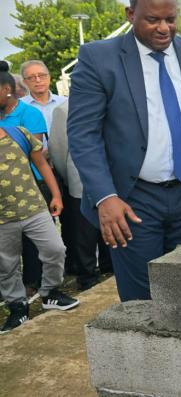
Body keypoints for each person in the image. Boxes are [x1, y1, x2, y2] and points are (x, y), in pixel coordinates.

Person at [67, 0, 181, 301]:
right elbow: (83, 134)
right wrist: (105, 197)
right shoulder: (99, 59)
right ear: (130, 14)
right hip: (131, 201)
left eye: (170, 19)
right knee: (141, 302)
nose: (164, 28)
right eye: (152, 19)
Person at [0, 62, 78, 334]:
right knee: (7, 263)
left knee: (55, 249)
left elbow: (43, 164)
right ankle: (17, 306)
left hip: (33, 206)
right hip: (2, 216)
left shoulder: (18, 131)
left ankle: (50, 292)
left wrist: (55, 193)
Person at [49, 101, 112, 289]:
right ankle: (87, 275)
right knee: (85, 232)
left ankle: (110, 267)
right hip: (80, 179)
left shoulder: (113, 100)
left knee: (110, 223)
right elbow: (58, 149)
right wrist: (69, 178)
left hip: (112, 177)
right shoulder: (63, 109)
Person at [0, 67, 48, 295]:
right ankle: (10, 290)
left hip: (30, 184)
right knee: (6, 245)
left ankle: (32, 284)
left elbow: (36, 154)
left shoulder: (30, 114)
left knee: (31, 241)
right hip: (3, 191)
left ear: (7, 90)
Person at [20, 60, 67, 132]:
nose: (38, 80)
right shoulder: (18, 107)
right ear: (25, 82)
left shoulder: (65, 103)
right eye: (31, 77)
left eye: (42, 75)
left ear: (49, 77)